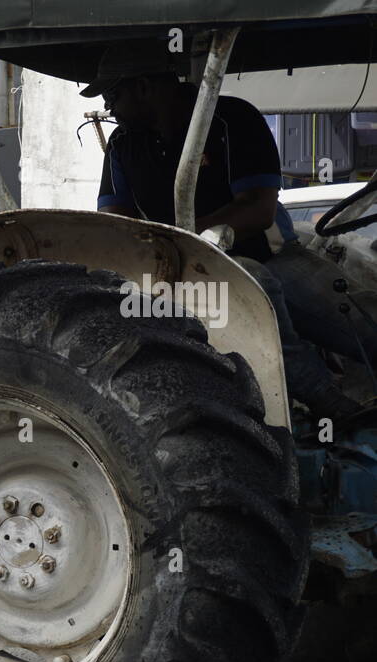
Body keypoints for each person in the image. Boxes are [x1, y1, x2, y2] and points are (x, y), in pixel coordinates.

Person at [86, 42, 367, 421]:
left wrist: (184, 235)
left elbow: (258, 208)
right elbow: (115, 223)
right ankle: (330, 406)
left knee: (362, 321)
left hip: (270, 252)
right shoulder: (122, 146)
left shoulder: (232, 120)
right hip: (186, 276)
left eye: (113, 95)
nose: (109, 109)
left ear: (144, 87)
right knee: (257, 291)